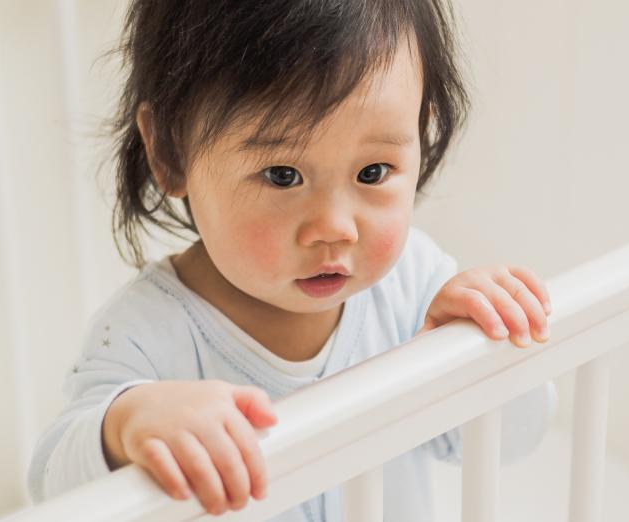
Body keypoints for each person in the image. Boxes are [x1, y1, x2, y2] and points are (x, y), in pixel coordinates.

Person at [28, 1, 556, 520]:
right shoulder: (148, 334)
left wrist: (483, 353)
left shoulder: (418, 288)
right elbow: (52, 485)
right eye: (283, 175)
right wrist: (125, 426)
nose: (334, 227)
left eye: (372, 172)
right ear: (169, 150)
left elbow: (513, 440)